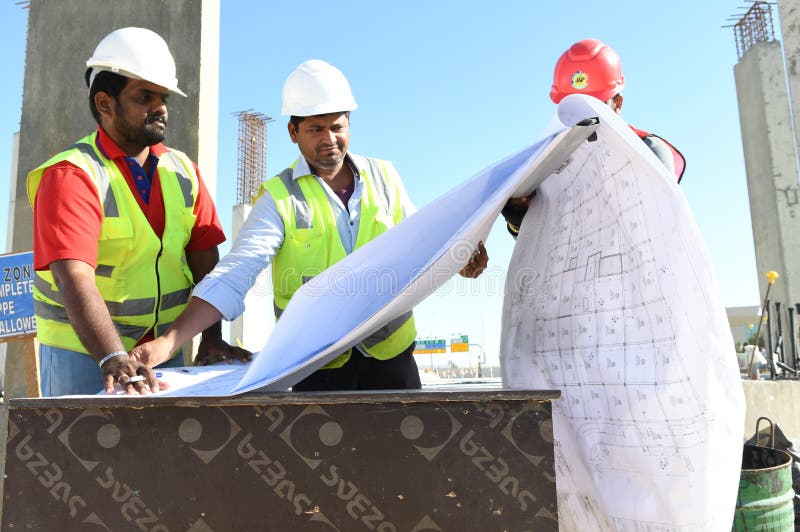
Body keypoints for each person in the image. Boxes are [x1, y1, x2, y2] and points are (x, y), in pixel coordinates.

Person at [130, 59, 488, 391]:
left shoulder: (385, 176)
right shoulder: (277, 197)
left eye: (337, 126)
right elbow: (235, 273)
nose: (329, 139)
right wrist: (167, 343)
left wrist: (461, 257)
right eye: (316, 129)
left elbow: (424, 242)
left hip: (391, 356)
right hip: (316, 365)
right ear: (293, 131)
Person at [27, 27, 247, 396]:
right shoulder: (72, 175)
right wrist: (111, 356)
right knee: (83, 452)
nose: (159, 107)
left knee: (161, 452)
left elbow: (205, 261)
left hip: (161, 353)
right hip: (84, 355)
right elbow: (75, 279)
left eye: (162, 97)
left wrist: (210, 337)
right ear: (104, 103)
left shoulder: (184, 171)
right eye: (144, 96)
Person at [502, 38, 686, 237]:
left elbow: (658, 235)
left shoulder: (650, 151)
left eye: (595, 106)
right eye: (573, 107)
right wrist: (519, 222)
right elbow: (544, 251)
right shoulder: (546, 167)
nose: (584, 118)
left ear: (618, 103)